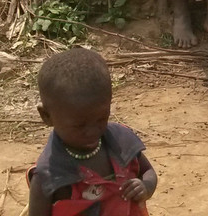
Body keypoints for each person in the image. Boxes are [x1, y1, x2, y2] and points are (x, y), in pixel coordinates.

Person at [29, 47, 157, 215]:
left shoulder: (122, 142)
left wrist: (146, 187)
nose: (92, 132)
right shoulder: (49, 176)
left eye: (101, 119)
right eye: (79, 126)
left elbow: (147, 171)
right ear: (46, 116)